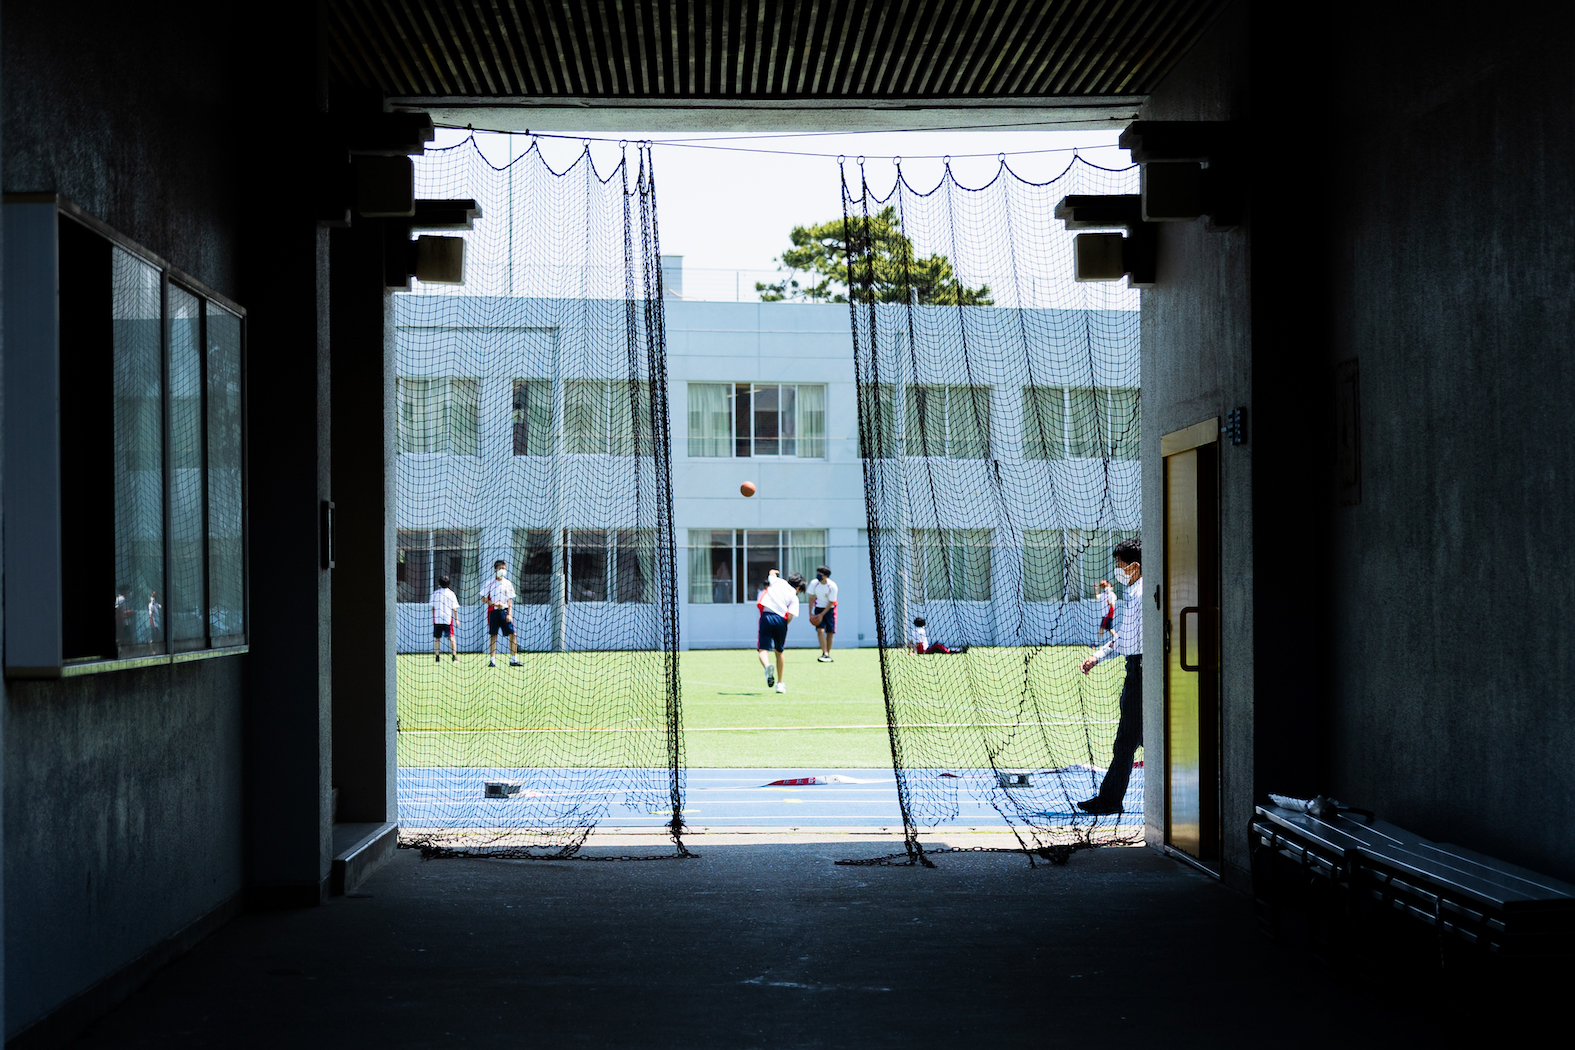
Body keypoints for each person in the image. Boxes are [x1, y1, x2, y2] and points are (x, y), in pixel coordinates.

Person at [1077, 537, 1143, 815]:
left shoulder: (1140, 596)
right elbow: (1125, 638)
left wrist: (1100, 655)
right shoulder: (1135, 593)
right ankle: (1110, 798)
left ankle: (1110, 799)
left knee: (1127, 739)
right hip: (1138, 669)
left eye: (1119, 564)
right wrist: (1098, 656)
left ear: (1134, 566)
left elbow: (1129, 640)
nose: (1117, 570)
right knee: (1132, 739)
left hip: (1141, 672)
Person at [756, 568, 806, 693]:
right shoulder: (794, 597)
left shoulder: (778, 582)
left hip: (766, 616)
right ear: (799, 588)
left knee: (763, 649)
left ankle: (767, 666)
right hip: (781, 620)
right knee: (779, 652)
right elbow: (790, 616)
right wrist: (783, 625)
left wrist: (774, 571)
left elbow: (771, 574)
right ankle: (780, 684)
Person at [480, 559, 522, 668]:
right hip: (493, 612)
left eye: (504, 568)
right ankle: (492, 660)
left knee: (513, 634)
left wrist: (509, 614)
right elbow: (483, 598)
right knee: (493, 635)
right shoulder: (489, 583)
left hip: (504, 611)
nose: (502, 571)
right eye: (500, 569)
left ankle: (513, 659)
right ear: (495, 570)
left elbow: (509, 600)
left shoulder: (507, 583)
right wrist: (493, 604)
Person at [806, 565, 838, 662]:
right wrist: (810, 613)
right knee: (820, 630)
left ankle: (827, 654)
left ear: (826, 576)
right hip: (818, 608)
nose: (818, 575)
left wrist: (822, 615)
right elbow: (811, 598)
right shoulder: (814, 583)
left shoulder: (832, 586)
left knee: (830, 632)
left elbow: (831, 602)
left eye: (820, 574)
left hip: (830, 609)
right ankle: (825, 653)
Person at [431, 574, 460, 663]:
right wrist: (456, 619)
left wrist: (434, 617)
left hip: (438, 619)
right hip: (447, 619)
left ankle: (437, 657)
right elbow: (454, 608)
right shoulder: (451, 594)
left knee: (437, 638)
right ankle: (454, 657)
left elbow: (433, 607)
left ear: (439, 583)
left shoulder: (435, 593)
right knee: (451, 637)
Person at [1096, 579, 1117, 646]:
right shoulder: (1103, 594)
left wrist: (1108, 602)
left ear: (1112, 588)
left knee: (1103, 628)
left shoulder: (1112, 595)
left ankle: (1098, 643)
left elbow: (1112, 605)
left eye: (1109, 586)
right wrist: (1096, 589)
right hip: (1104, 614)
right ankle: (1116, 639)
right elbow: (1096, 597)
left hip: (1109, 614)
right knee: (1109, 629)